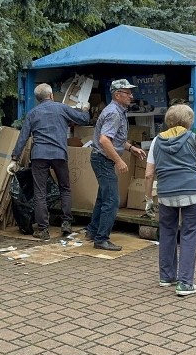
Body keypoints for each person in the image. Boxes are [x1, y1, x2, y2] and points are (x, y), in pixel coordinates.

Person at [143, 104, 196, 296]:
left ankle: (166, 277)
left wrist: (148, 198)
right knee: (189, 235)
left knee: (167, 233)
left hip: (166, 194)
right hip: (193, 192)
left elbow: (149, 174)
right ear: (189, 121)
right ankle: (185, 283)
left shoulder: (156, 141)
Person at [8, 83, 90, 240]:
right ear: (51, 95)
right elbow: (84, 120)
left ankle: (43, 229)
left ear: (39, 99)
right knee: (65, 188)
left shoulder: (33, 113)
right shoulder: (61, 108)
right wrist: (84, 109)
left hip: (39, 156)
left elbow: (23, 137)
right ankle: (66, 223)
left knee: (40, 192)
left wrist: (14, 159)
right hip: (59, 154)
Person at [84, 79, 147, 251]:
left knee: (103, 197)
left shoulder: (117, 110)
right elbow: (104, 140)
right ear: (117, 95)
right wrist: (119, 160)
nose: (131, 96)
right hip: (103, 160)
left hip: (101, 159)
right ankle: (101, 239)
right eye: (127, 93)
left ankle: (92, 230)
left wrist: (131, 148)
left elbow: (115, 138)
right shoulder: (114, 113)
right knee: (112, 200)